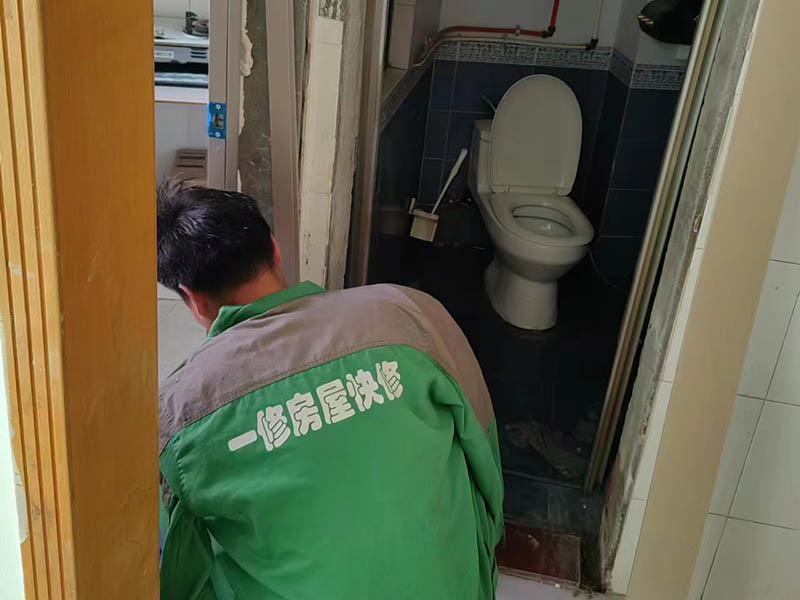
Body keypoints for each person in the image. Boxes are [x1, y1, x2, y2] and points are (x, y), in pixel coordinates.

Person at [157, 181, 504, 599]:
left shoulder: (182, 410)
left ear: (193, 299)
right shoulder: (409, 311)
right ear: (275, 249)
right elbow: (482, 447)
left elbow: (177, 573)